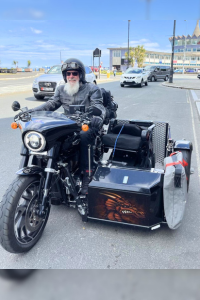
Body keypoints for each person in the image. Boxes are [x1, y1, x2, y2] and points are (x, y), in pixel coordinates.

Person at [29, 58, 106, 196]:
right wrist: (32, 112)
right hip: (69, 124)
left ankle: (87, 175)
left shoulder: (92, 89)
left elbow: (98, 106)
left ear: (80, 75)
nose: (71, 76)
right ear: (65, 76)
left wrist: (97, 117)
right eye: (68, 74)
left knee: (84, 135)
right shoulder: (61, 89)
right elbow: (50, 104)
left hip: (87, 125)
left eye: (74, 74)